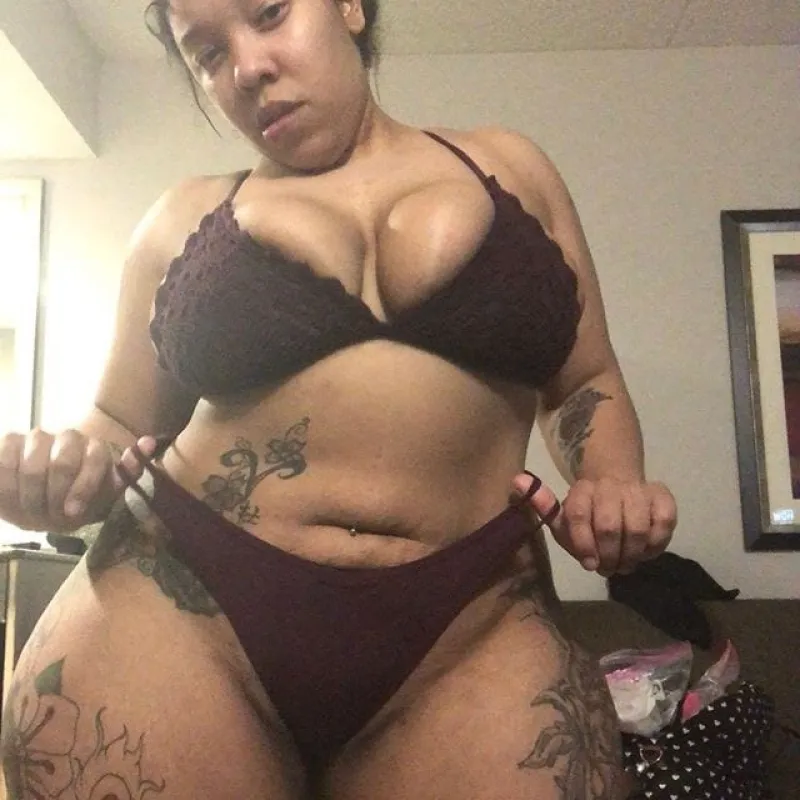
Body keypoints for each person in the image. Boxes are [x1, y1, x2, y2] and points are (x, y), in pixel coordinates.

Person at [0, 1, 677, 797]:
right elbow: (117, 420)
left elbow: (584, 377)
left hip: (467, 624)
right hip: (183, 603)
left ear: (350, 6)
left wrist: (612, 482)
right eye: (207, 54)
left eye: (270, 13)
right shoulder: (182, 217)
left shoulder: (511, 169)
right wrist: (61, 471)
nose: (246, 68)